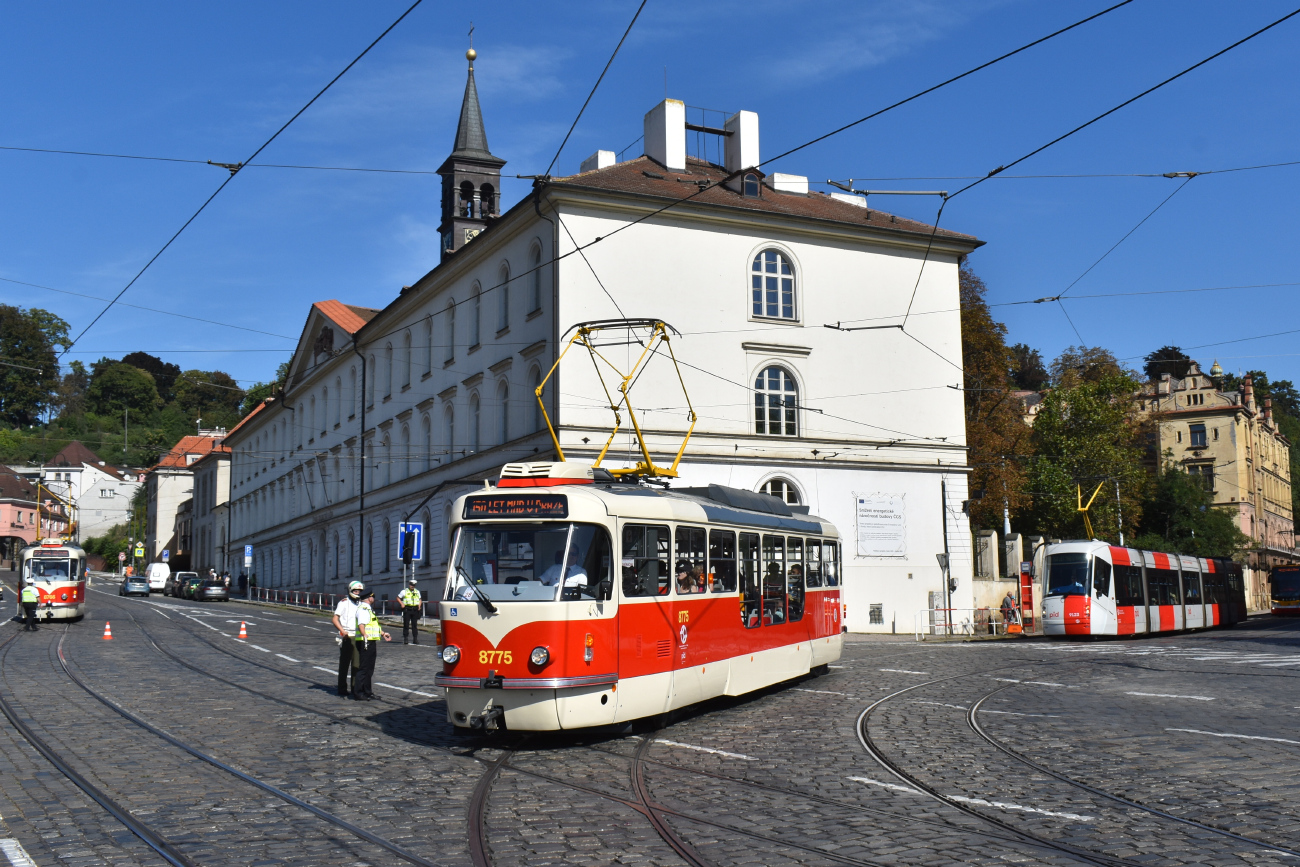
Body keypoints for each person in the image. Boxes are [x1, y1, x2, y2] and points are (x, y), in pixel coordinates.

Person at [351, 588, 391, 700]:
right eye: (373, 596)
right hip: (366, 642)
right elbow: (361, 625)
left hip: (370, 641)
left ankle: (367, 691)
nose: (373, 598)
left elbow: (372, 626)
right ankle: (359, 693)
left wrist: (383, 633)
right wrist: (365, 636)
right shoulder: (363, 609)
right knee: (364, 668)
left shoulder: (368, 609)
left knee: (369, 668)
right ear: (369, 598)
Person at [331, 581, 365, 697]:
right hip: (346, 636)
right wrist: (342, 630)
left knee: (356, 664)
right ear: (350, 591)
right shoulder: (344, 603)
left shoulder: (360, 603)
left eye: (359, 591)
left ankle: (355, 688)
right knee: (344, 664)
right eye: (355, 591)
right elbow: (335, 619)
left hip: (357, 636)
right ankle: (342, 688)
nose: (357, 593)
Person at [397, 578, 423, 645]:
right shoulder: (404, 591)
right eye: (411, 585)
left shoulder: (417, 591)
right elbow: (398, 598)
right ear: (409, 585)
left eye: (414, 585)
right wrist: (401, 603)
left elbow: (420, 599)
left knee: (414, 625)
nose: (412, 586)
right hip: (407, 609)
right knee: (406, 624)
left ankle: (415, 639)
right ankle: (406, 638)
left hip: (415, 610)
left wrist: (419, 606)